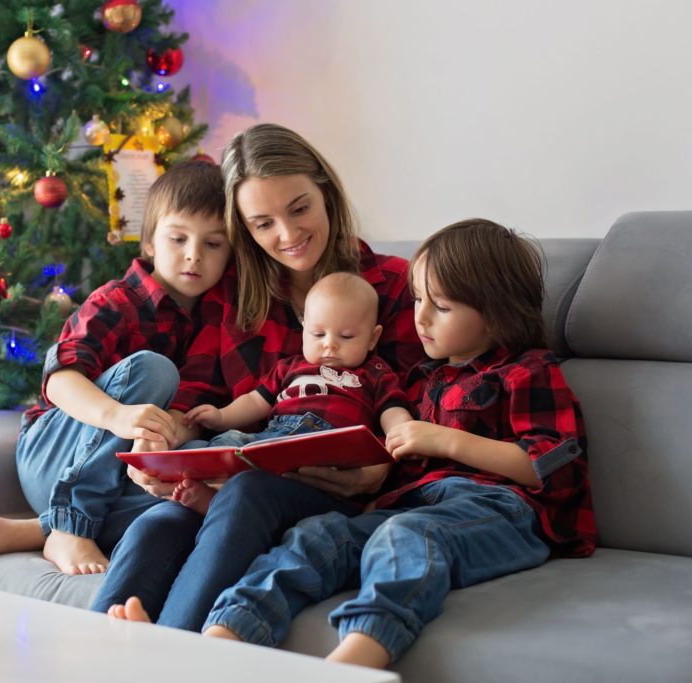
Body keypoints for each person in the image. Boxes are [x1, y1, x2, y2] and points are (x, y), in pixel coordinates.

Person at [187, 219, 596, 670]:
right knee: (317, 536)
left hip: (504, 513)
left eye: (439, 306)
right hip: (413, 506)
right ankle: (221, 641)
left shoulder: (527, 371)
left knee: (408, 535)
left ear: (497, 313)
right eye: (418, 298)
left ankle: (355, 660)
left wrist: (447, 440)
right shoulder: (424, 379)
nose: (419, 317)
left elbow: (553, 467)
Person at [90, 123, 426, 629]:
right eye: (262, 223)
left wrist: (382, 472)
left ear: (326, 195)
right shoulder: (236, 297)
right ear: (244, 229)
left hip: (337, 496)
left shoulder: (394, 286)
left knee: (248, 493)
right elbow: (198, 397)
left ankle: (177, 654)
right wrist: (159, 445)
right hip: (239, 483)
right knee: (155, 525)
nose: (287, 236)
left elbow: (427, 407)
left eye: (299, 209)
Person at [0, 161, 231, 574]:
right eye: (178, 238)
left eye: (213, 244)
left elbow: (194, 410)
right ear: (149, 243)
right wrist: (119, 416)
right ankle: (71, 526)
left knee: (201, 471)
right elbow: (60, 382)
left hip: (121, 474)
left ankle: (42, 530)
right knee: (154, 371)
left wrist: (164, 436)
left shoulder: (217, 324)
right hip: (53, 452)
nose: (194, 254)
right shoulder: (118, 301)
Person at [174, 272, 413, 514]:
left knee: (267, 475)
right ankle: (215, 498)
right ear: (304, 329)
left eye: (346, 336)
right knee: (227, 444)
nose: (329, 344)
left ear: (373, 338)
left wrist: (403, 432)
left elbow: (392, 409)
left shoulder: (376, 373)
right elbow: (256, 401)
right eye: (318, 334)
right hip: (275, 438)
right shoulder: (290, 367)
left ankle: (220, 500)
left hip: (329, 446)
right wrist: (222, 417)